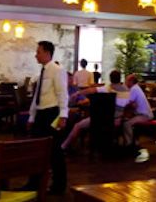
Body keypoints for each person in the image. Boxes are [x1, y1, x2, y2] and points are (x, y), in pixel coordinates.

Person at [27, 41, 68, 195]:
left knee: (54, 151)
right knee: (36, 150)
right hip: (41, 114)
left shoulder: (57, 70)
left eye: (38, 52)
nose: (36, 55)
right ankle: (34, 183)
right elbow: (37, 96)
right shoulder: (42, 72)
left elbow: (62, 94)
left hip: (52, 114)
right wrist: (32, 116)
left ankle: (59, 185)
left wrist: (63, 115)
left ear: (47, 53)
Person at [61, 70, 130, 151]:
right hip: (118, 121)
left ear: (110, 79)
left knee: (78, 125)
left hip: (102, 120)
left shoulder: (108, 88)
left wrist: (77, 93)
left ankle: (63, 146)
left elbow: (91, 90)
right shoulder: (126, 90)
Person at [124, 73, 154, 163]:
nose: (125, 82)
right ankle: (133, 142)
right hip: (143, 114)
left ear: (131, 81)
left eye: (126, 80)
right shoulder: (136, 88)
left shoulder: (134, 89)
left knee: (126, 123)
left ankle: (131, 145)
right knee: (127, 121)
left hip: (144, 116)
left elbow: (128, 103)